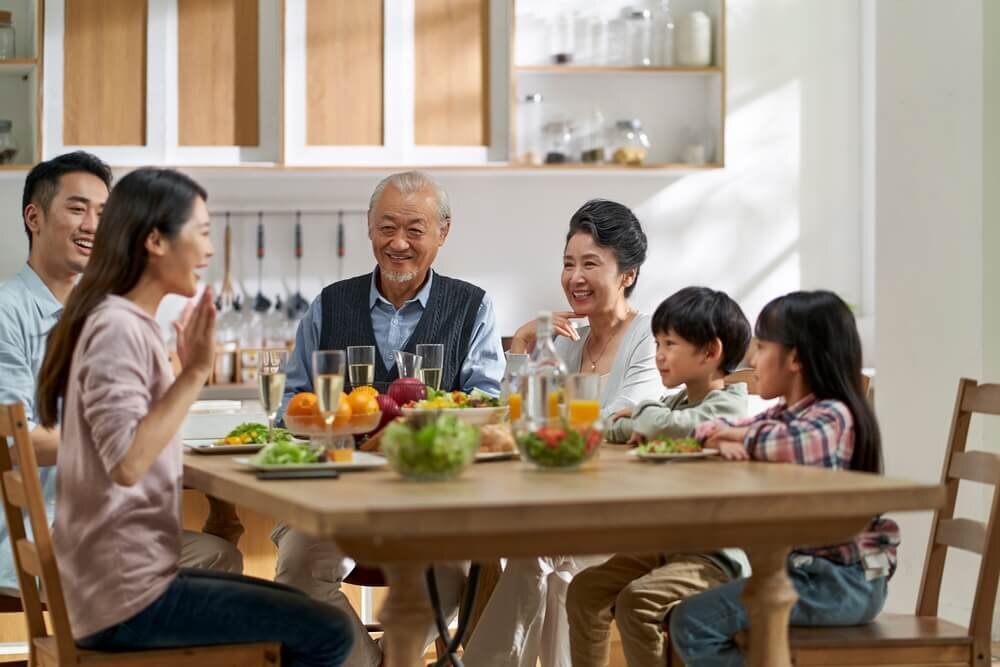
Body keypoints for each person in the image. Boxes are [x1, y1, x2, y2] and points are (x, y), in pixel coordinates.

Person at [35, 168, 354, 666]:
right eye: (202, 232)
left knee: (305, 608)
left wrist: (183, 370)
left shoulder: (117, 320)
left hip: (114, 583)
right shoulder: (120, 328)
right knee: (329, 631)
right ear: (156, 241)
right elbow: (126, 462)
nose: (208, 252)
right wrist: (195, 373)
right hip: (124, 599)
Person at [276, 170, 502, 666]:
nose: (398, 243)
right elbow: (292, 405)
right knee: (297, 575)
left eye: (414, 229)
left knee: (447, 578)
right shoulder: (329, 305)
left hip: (434, 502)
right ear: (370, 229)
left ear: (443, 232)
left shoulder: (473, 307)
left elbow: (485, 407)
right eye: (386, 228)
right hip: (333, 495)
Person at [0, 153, 241, 599]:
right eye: (77, 209)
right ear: (34, 217)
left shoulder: (102, 313)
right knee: (217, 558)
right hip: (41, 539)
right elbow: (18, 442)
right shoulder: (7, 311)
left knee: (219, 549)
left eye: (103, 213)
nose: (93, 225)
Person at [462, 199, 662, 667]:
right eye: (568, 263)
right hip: (570, 508)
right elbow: (514, 424)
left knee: (548, 561)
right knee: (541, 559)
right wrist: (521, 347)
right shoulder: (567, 345)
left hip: (629, 510)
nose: (574, 277)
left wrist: (547, 426)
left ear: (627, 274)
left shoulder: (649, 336)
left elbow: (618, 421)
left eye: (591, 263)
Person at [668, 290, 896, 667]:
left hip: (843, 583)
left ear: (795, 357)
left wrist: (739, 437)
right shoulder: (786, 413)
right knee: (692, 618)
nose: (752, 359)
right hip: (804, 575)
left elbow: (791, 445)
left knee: (692, 622)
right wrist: (724, 436)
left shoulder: (833, 416)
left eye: (762, 346)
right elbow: (710, 426)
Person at [566, 286, 753, 667]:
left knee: (638, 602)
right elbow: (619, 427)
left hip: (716, 556)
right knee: (585, 590)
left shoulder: (729, 404)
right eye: (657, 344)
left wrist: (647, 413)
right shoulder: (679, 401)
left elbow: (668, 426)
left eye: (669, 344)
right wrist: (642, 420)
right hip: (670, 546)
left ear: (710, 352)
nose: (659, 356)